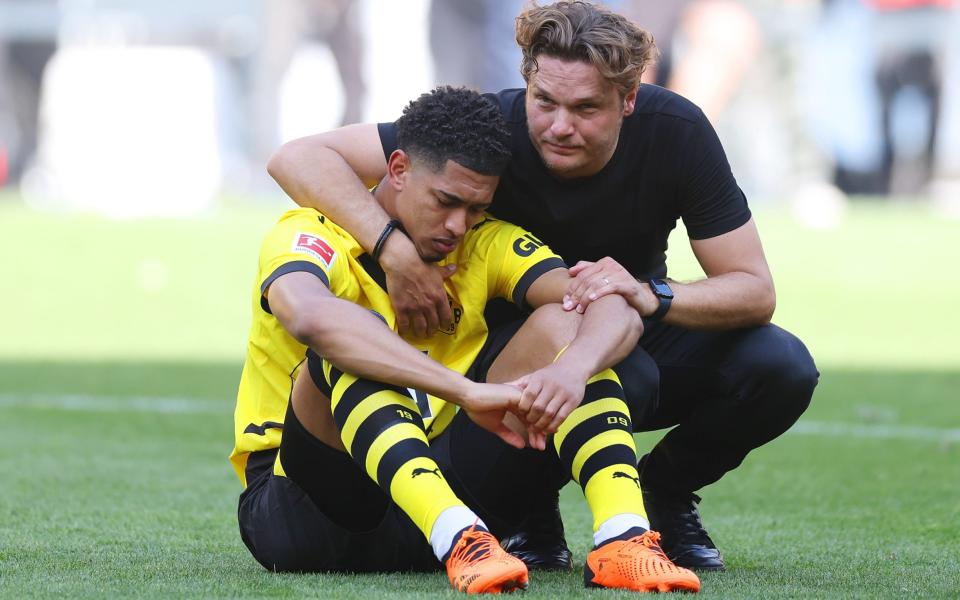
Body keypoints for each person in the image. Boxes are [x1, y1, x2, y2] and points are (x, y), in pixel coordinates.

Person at [267, 1, 820, 572]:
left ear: (629, 100)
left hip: (619, 312)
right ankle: (529, 507)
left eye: (586, 108)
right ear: (526, 82)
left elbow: (754, 290)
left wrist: (651, 293)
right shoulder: (488, 132)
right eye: (545, 102)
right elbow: (298, 156)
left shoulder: (676, 132)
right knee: (615, 366)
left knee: (781, 366)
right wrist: (394, 248)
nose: (559, 126)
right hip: (510, 341)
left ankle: (666, 493)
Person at [232, 86, 701, 593]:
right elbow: (310, 317)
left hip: (444, 496)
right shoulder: (309, 232)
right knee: (346, 342)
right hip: (305, 512)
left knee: (570, 325)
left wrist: (572, 367)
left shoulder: (488, 241)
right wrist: (464, 392)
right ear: (398, 169)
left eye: (476, 208)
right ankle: (460, 539)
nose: (458, 225)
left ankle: (624, 539)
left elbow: (613, 306)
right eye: (446, 201)